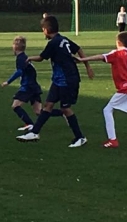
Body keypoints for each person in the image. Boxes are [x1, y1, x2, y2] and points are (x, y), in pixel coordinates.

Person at [17, 15, 95, 148]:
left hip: (67, 80)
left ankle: (80, 137)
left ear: (47, 30)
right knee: (48, 105)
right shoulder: (64, 39)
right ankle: (34, 132)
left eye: (43, 29)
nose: (43, 32)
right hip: (59, 80)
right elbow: (79, 49)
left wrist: (29, 58)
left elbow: (41, 58)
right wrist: (87, 66)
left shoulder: (53, 43)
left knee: (65, 108)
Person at [76, 32, 127, 148]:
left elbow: (100, 57)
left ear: (118, 42)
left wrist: (82, 59)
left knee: (107, 110)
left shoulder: (117, 53)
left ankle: (112, 140)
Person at [1, 35, 48, 133]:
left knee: (15, 106)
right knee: (39, 111)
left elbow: (19, 71)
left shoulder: (20, 58)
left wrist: (8, 82)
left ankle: (29, 124)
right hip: (34, 86)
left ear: (15, 47)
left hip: (28, 87)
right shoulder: (25, 57)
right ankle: (63, 112)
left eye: (13, 45)